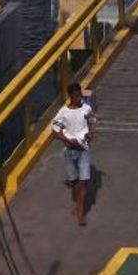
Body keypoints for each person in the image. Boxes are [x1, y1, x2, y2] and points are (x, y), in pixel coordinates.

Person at [51, 83, 96, 226]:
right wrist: (67, 140)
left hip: (83, 150)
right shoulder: (63, 112)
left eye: (80, 95)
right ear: (70, 96)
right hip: (70, 151)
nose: (79, 98)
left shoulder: (86, 108)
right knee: (76, 182)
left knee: (83, 182)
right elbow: (55, 132)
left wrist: (90, 134)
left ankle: (80, 213)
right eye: (76, 95)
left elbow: (91, 123)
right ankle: (78, 205)